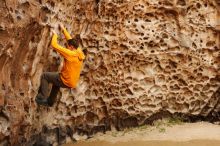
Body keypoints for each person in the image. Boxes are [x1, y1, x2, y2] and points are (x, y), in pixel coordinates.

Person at [35, 24, 85, 107]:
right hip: (72, 81)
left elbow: (54, 45)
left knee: (45, 76)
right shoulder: (79, 51)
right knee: (57, 82)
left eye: (68, 47)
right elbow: (70, 39)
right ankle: (50, 102)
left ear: (71, 47)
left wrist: (55, 35)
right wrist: (63, 30)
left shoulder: (70, 54)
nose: (67, 47)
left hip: (66, 80)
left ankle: (42, 97)